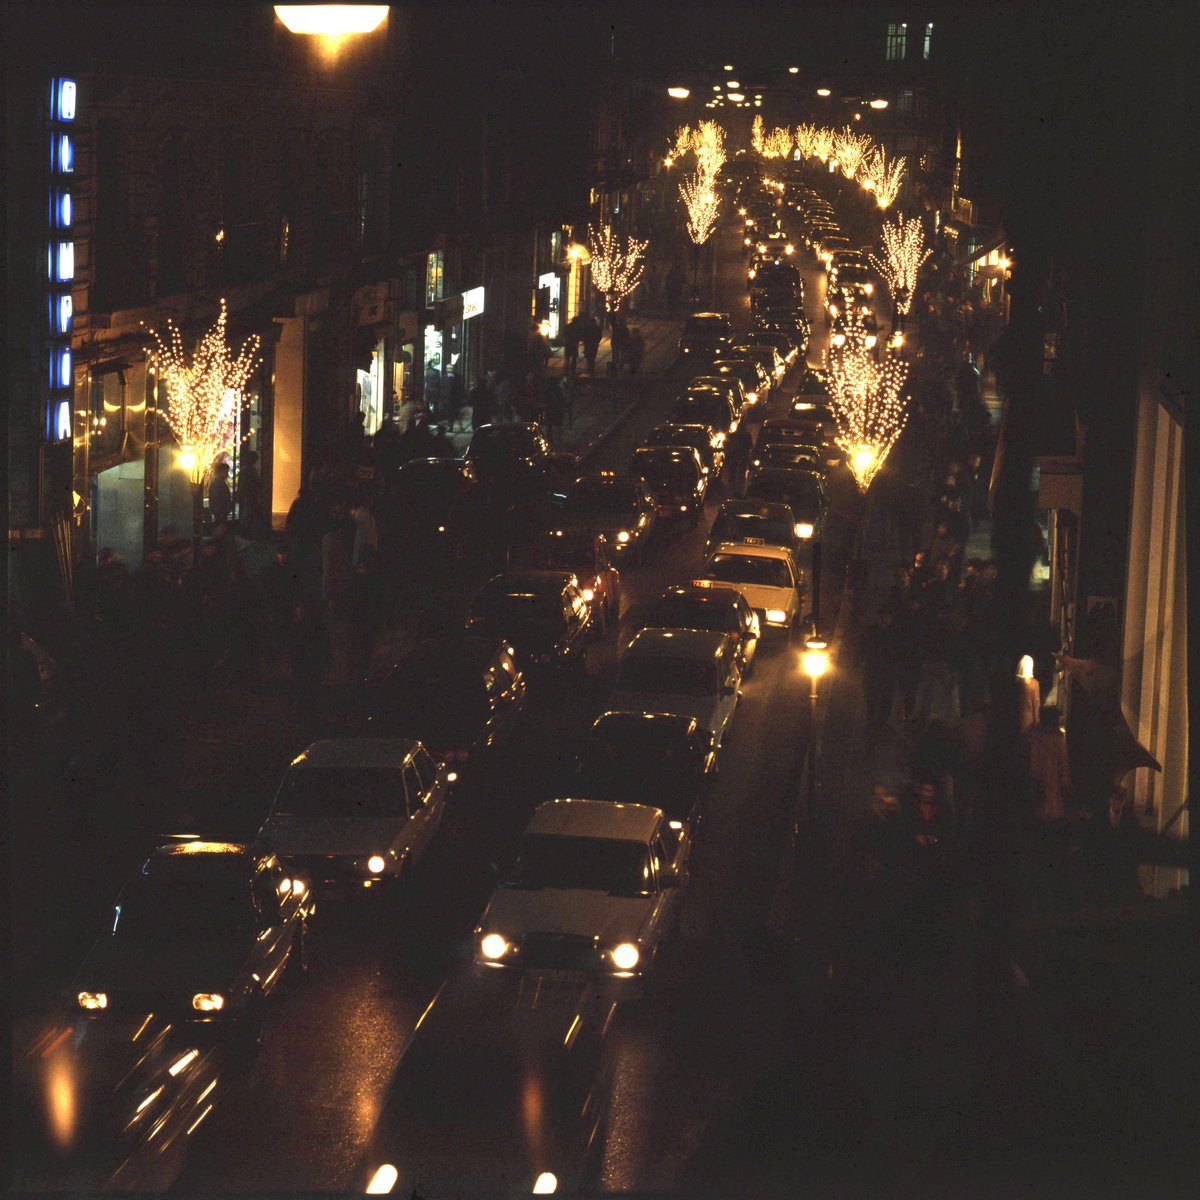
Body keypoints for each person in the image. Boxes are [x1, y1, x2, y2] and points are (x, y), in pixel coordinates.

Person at [1030, 704, 1071, 819]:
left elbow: (1035, 761)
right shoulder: (1058, 738)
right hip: (1053, 779)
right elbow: (1064, 762)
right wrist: (1065, 781)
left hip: (1045, 778)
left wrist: (1035, 777)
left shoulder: (1038, 737)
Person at [235, 449, 268, 537]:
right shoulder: (248, 470)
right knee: (248, 513)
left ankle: (247, 531)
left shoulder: (248, 469)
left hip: (249, 495)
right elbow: (244, 484)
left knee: (249, 513)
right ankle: (247, 532)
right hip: (249, 495)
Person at [207, 461, 233, 529]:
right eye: (226, 471)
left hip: (221, 510)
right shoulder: (216, 481)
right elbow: (216, 497)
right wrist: (219, 510)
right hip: (220, 511)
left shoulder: (219, 480)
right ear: (221, 471)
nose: (227, 474)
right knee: (220, 526)